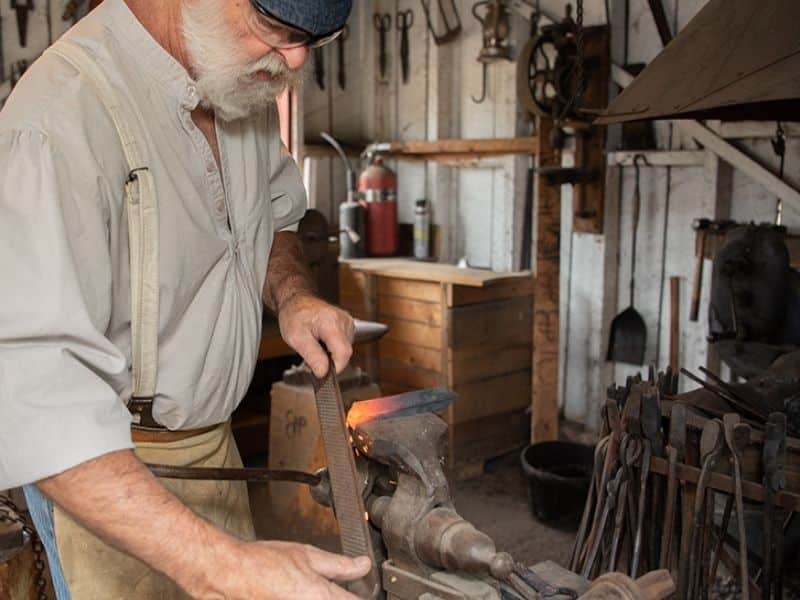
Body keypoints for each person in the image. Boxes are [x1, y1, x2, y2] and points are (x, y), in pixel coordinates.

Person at [0, 1, 371, 598]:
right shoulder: (57, 117)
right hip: (109, 481)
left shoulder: (238, 75)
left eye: (314, 39)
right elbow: (34, 398)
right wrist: (218, 564)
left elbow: (270, 217)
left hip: (215, 451)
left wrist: (294, 295)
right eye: (276, 28)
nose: (297, 57)